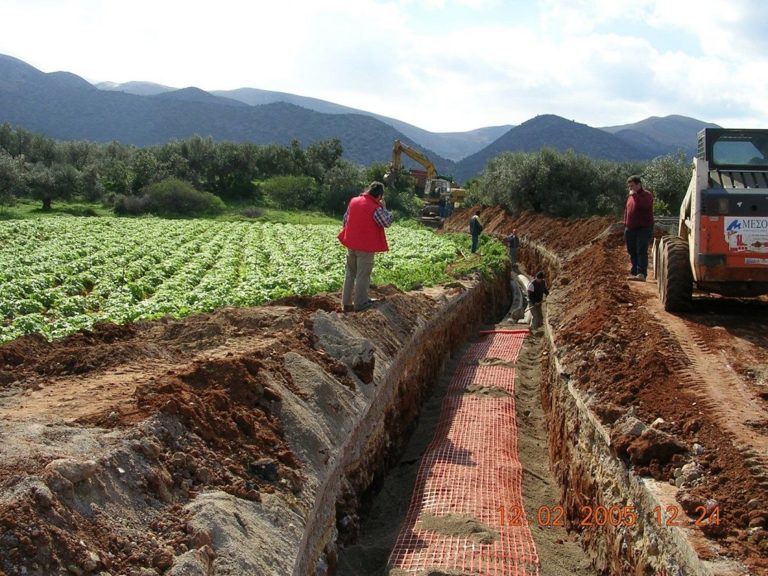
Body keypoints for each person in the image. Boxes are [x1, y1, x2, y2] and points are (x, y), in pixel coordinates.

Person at [338, 181, 394, 312]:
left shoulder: (354, 201)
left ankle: (346, 303)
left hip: (351, 244)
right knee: (363, 275)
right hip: (365, 246)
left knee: (350, 273)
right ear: (380, 196)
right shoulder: (374, 207)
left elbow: (345, 220)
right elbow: (386, 222)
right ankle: (360, 304)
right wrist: (384, 208)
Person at [623, 175, 654, 281]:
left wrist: (635, 195)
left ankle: (641, 273)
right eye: (629, 186)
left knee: (641, 249)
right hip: (630, 228)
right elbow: (627, 210)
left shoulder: (647, 195)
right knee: (632, 250)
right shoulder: (630, 197)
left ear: (638, 184)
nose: (630, 188)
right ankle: (635, 271)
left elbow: (644, 206)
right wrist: (625, 223)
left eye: (632, 186)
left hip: (643, 228)